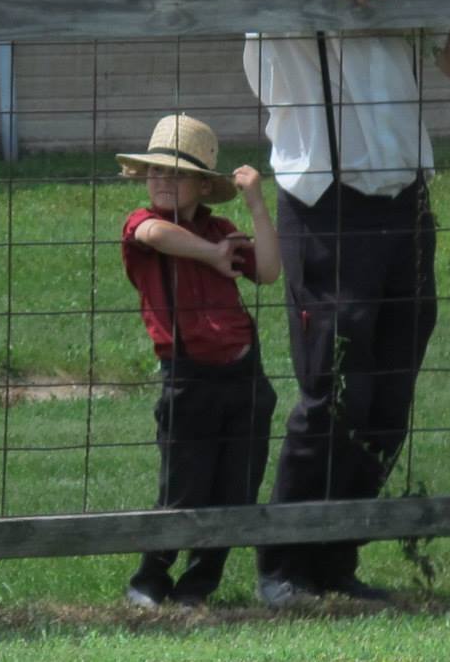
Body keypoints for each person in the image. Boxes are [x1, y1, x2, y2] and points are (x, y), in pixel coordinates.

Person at [190, 0, 450, 607]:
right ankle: (285, 565)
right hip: (325, 205)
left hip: (404, 199)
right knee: (332, 387)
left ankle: (336, 559)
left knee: (390, 391)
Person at [116, 114, 280, 609]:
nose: (162, 181)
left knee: (235, 486)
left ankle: (199, 584)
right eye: (155, 171)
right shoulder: (142, 223)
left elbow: (269, 271)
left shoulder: (224, 228)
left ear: (203, 185)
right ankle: (149, 578)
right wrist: (211, 255)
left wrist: (256, 204)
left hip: (244, 376)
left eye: (177, 173)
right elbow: (156, 238)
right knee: (182, 486)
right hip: (187, 378)